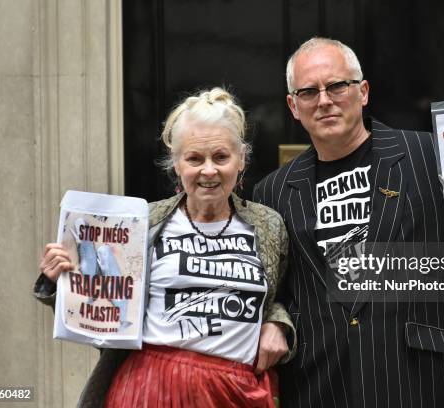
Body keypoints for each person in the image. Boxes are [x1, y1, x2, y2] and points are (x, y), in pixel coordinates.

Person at [253, 37, 444, 408]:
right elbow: (269, 293)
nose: (324, 100)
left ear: (363, 92)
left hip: (421, 383)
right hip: (321, 386)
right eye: (308, 91)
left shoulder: (428, 154)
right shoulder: (272, 192)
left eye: (338, 86)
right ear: (293, 105)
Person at [34, 88, 296, 407]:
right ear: (176, 164)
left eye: (221, 157)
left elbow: (284, 295)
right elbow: (102, 299)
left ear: (241, 159)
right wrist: (61, 277)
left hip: (234, 392)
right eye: (195, 158)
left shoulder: (269, 225)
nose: (209, 170)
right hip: (149, 389)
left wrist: (279, 323)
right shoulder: (142, 222)